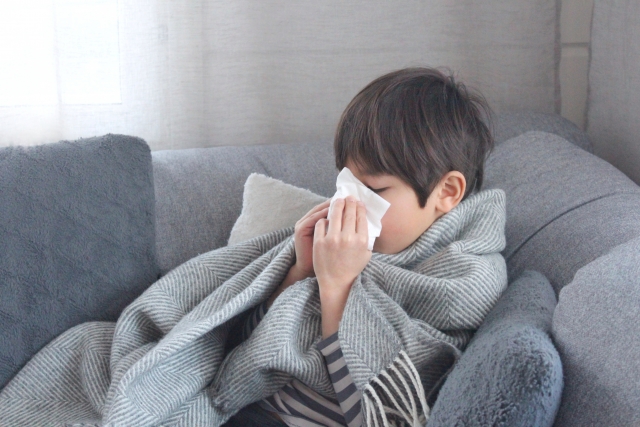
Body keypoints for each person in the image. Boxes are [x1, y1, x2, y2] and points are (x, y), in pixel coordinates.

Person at [223, 66, 500, 427]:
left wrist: (337, 288)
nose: (350, 204)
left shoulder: (463, 282)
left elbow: (384, 412)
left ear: (446, 192)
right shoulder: (342, 245)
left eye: (373, 190)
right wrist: (299, 272)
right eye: (346, 183)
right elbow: (243, 353)